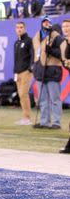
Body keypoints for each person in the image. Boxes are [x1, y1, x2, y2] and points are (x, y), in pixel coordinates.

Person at [32, 16, 66, 129]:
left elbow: (62, 54)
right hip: (41, 70)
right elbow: (36, 54)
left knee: (55, 98)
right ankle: (44, 121)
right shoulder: (37, 37)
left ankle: (56, 122)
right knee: (43, 99)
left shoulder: (57, 38)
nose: (46, 24)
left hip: (52, 70)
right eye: (44, 22)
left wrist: (51, 50)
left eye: (48, 22)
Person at [13, 22, 34, 125]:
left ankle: (27, 118)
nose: (19, 29)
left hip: (26, 71)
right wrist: (15, 71)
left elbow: (32, 55)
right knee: (21, 96)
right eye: (17, 27)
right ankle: (24, 117)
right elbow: (16, 59)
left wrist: (30, 68)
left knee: (23, 94)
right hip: (18, 72)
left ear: (25, 29)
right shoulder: (16, 43)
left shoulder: (29, 41)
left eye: (21, 27)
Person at [60, 19, 70, 153]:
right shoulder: (66, 42)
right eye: (64, 26)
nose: (66, 28)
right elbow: (66, 62)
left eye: (68, 26)